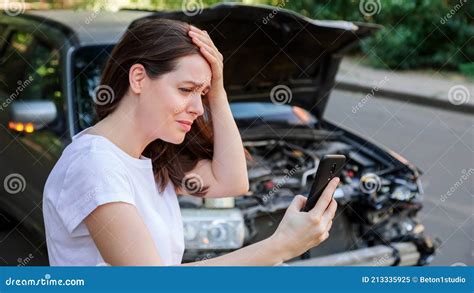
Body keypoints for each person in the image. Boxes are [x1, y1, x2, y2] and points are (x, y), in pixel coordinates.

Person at [42, 18, 338, 266]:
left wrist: (218, 91)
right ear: (139, 79)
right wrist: (280, 247)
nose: (199, 108)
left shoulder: (149, 159)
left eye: (203, 94)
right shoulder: (94, 164)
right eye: (186, 89)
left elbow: (233, 180)